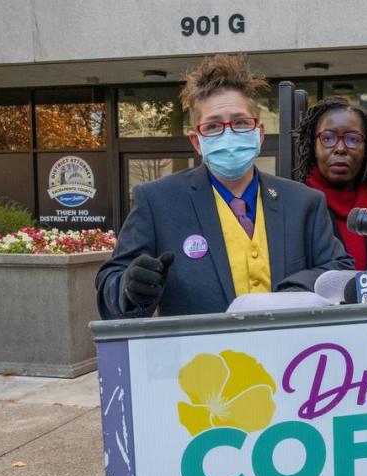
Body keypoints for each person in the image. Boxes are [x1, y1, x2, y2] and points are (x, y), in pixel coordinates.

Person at [96, 54, 353, 319]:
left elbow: (339, 269)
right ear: (197, 141)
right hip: (200, 358)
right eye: (214, 126)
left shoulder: (304, 202)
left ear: (259, 134)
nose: (228, 134)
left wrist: (292, 291)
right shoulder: (157, 201)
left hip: (292, 357)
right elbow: (109, 284)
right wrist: (130, 287)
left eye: (241, 122)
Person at [294, 96, 367, 270]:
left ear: (366, 148)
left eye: (352, 139)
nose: (340, 148)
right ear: (313, 145)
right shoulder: (294, 205)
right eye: (328, 138)